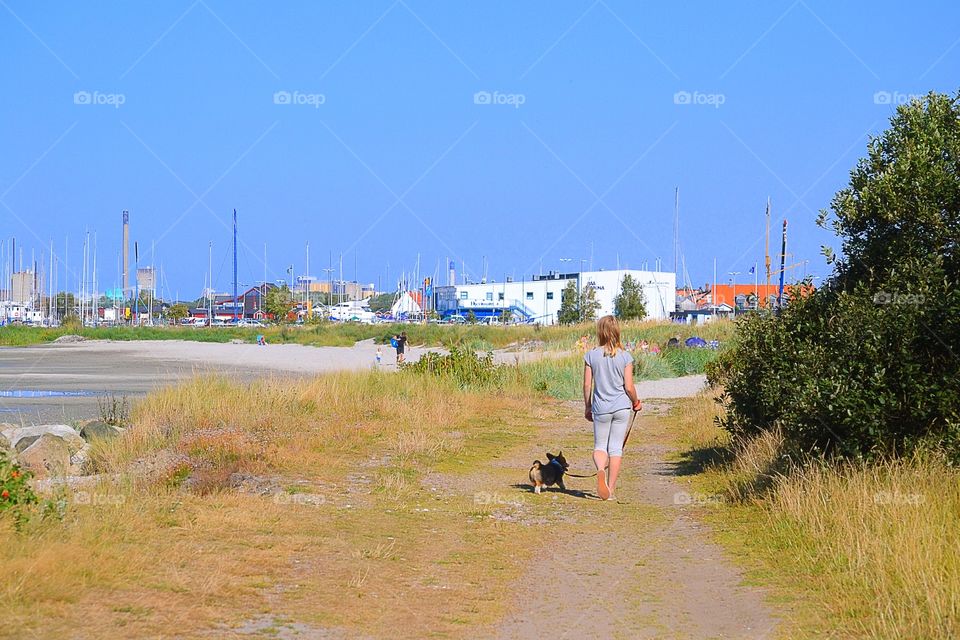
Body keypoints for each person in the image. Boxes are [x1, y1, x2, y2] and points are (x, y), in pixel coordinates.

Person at [583, 315, 642, 501]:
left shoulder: (591, 355)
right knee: (616, 448)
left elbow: (587, 385)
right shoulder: (625, 356)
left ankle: (601, 468)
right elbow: (629, 387)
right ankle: (610, 490)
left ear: (600, 332)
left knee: (600, 446)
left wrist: (587, 406)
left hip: (601, 407)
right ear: (617, 331)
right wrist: (636, 402)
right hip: (622, 407)